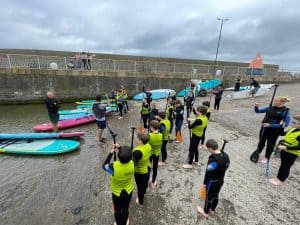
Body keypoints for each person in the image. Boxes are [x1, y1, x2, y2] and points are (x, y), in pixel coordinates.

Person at [196, 139, 230, 219]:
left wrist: (205, 183)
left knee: (209, 196)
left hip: (212, 182)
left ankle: (205, 212)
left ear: (210, 148)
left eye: (208, 149)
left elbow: (208, 173)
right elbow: (226, 166)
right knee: (216, 195)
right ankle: (212, 209)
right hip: (221, 180)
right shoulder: (226, 155)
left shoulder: (213, 160)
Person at [102, 144, 134, 225]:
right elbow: (131, 156)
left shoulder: (113, 167)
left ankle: (118, 222)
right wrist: (120, 148)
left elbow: (104, 166)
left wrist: (111, 152)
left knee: (117, 210)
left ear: (119, 157)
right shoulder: (133, 163)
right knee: (125, 209)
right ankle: (126, 221)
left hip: (116, 193)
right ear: (130, 157)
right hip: (128, 191)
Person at [252, 97, 290, 163]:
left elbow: (285, 125)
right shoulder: (270, 108)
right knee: (261, 141)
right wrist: (256, 106)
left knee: (270, 144)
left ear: (282, 102)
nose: (274, 102)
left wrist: (270, 125)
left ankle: (267, 157)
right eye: (274, 100)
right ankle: (258, 153)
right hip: (265, 128)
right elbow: (257, 111)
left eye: (276, 101)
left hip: (275, 130)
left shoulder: (285, 111)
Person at [269, 115, 300, 186]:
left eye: (295, 123)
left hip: (292, 153)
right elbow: (282, 133)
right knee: (283, 165)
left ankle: (281, 180)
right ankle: (278, 178)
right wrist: (281, 127)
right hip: (284, 151)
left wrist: (286, 148)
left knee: (286, 166)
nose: (293, 124)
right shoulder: (292, 129)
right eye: (293, 122)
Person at [132, 132, 152, 206]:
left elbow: (132, 163)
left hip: (140, 172)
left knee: (140, 187)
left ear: (140, 141)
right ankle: (144, 192)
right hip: (147, 167)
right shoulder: (148, 145)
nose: (136, 139)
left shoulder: (137, 151)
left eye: (137, 138)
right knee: (145, 182)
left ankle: (140, 202)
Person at [148, 120, 163, 188]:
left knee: (148, 167)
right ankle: (153, 182)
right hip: (157, 154)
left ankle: (147, 179)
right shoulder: (161, 135)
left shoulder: (149, 135)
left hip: (150, 154)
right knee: (155, 168)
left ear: (151, 128)